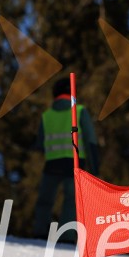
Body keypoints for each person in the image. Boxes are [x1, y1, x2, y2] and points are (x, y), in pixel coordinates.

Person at [31, 77, 100, 240]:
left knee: (45, 200)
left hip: (52, 163)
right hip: (75, 163)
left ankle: (40, 231)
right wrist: (95, 167)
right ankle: (67, 236)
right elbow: (91, 140)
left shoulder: (46, 115)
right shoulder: (80, 111)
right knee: (71, 201)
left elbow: (39, 144)